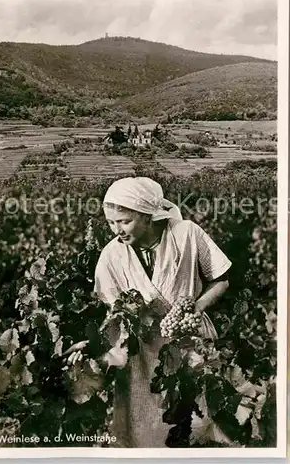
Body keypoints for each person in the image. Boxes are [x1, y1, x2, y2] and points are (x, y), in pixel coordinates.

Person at [71, 177, 231, 447]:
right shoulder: (112, 255)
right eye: (111, 222)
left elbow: (221, 279)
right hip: (143, 355)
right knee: (147, 430)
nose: (117, 230)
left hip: (191, 340)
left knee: (200, 422)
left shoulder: (186, 234)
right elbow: (115, 315)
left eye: (124, 221)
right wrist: (96, 347)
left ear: (147, 216)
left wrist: (196, 307)